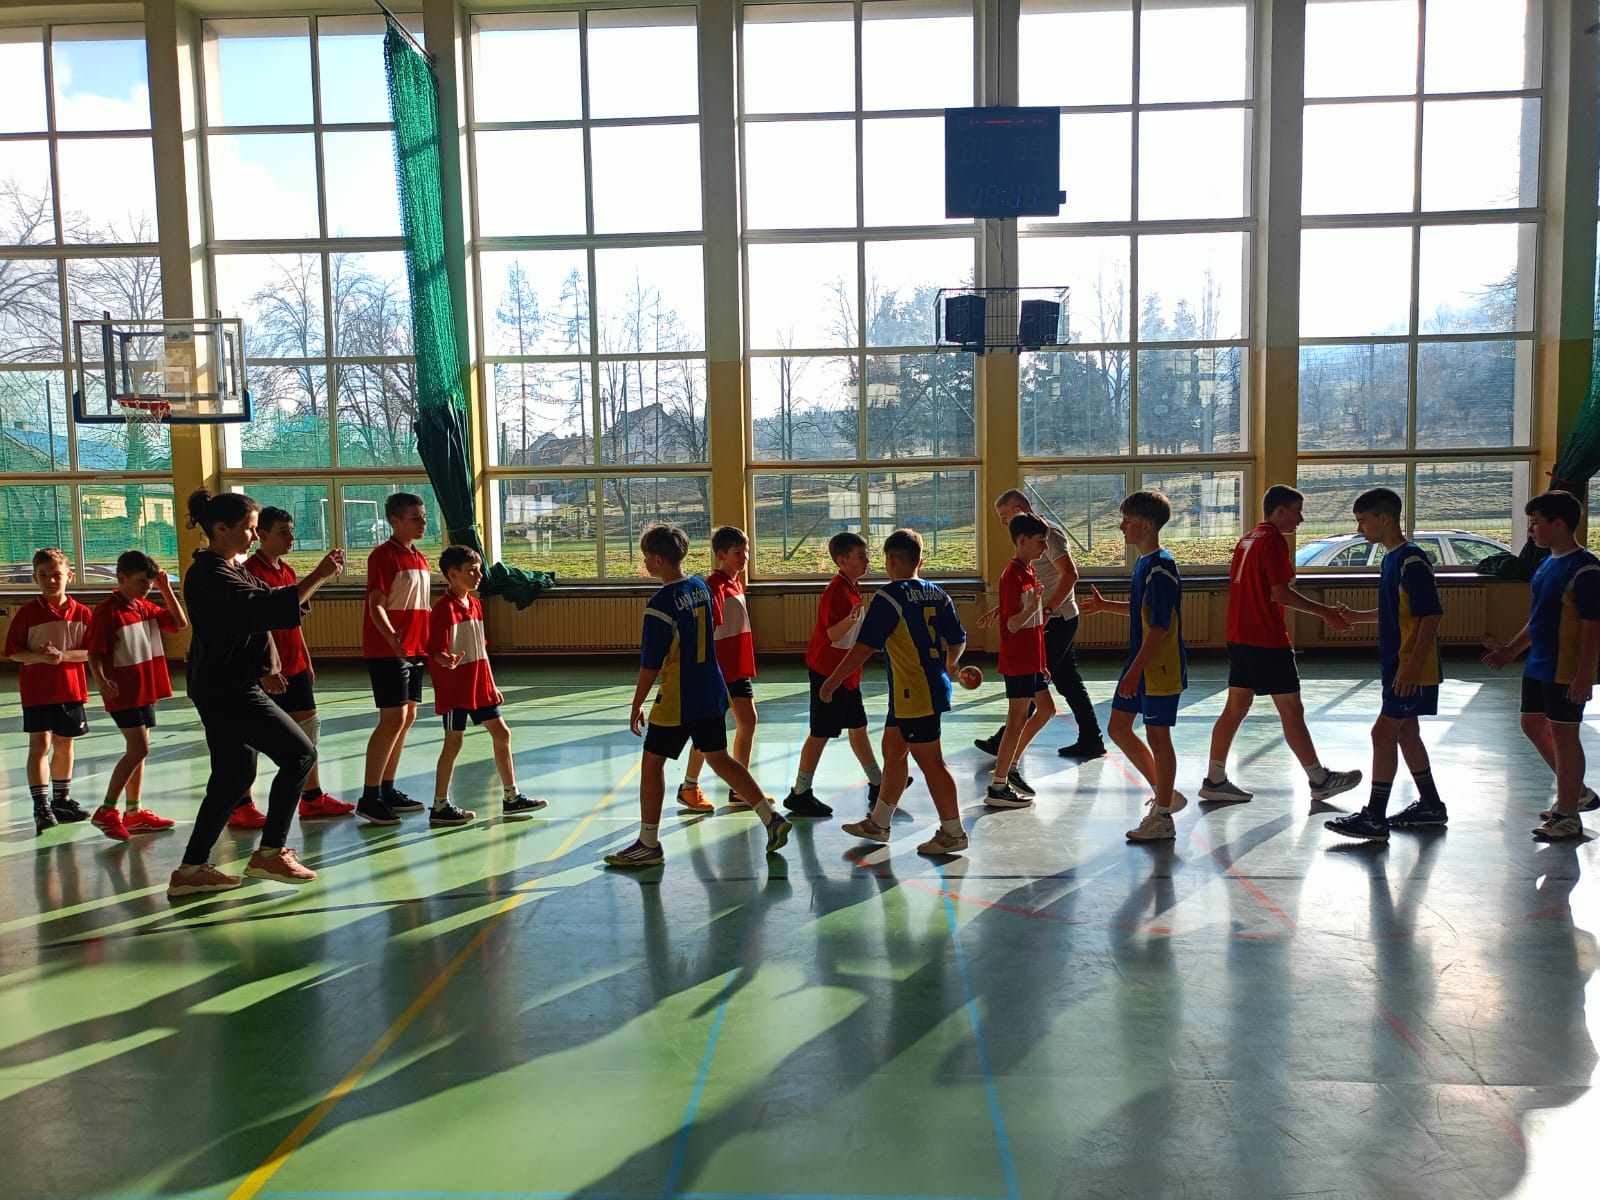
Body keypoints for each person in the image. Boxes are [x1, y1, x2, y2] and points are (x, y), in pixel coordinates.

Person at [170, 488, 346, 897]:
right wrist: (319, 575)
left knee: (232, 776)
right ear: (220, 528)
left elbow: (273, 602)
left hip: (227, 684)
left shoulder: (230, 569)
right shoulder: (210, 575)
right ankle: (270, 852)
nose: (254, 536)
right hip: (227, 688)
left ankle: (190, 870)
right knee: (300, 754)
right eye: (249, 528)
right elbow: (264, 610)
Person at [604, 524, 791, 868]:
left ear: (657, 560)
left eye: (646, 556)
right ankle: (771, 819)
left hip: (679, 697)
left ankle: (648, 843)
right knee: (719, 757)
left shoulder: (660, 605)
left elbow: (650, 664)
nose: (645, 562)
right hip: (711, 688)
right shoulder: (700, 587)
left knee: (652, 763)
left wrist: (636, 703)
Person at [1199, 484, 1363, 807]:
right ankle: (1320, 780)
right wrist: (1326, 612)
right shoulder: (1273, 541)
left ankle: (1214, 779)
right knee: (1291, 710)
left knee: (1235, 708)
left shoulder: (1248, 538)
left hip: (1239, 636)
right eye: (1297, 512)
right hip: (1266, 639)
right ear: (1280, 510)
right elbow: (1281, 594)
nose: (1300, 519)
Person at [825, 527, 971, 857]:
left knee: (931, 762)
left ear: (890, 560)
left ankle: (953, 832)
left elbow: (864, 647)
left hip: (915, 692)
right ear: (921, 560)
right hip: (920, 689)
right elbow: (958, 638)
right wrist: (951, 663)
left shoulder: (889, 597)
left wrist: (833, 680)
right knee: (893, 748)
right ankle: (879, 823)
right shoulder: (938, 594)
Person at [1325, 487, 1445, 842]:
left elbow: (1431, 615)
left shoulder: (1412, 560)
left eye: (1363, 521)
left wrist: (1412, 667)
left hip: (1411, 667)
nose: (1359, 529)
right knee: (1407, 733)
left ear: (1385, 518)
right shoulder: (1391, 560)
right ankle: (1431, 804)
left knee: (1383, 733)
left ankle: (1375, 816)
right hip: (1398, 664)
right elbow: (1397, 611)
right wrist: (1358, 616)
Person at [1482, 490, 1600, 841]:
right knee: (1532, 724)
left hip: (1566, 667)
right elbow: (1538, 619)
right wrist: (1511, 650)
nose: (1530, 530)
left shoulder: (1586, 569)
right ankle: (1576, 792)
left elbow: (1593, 628)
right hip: (1539, 664)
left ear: (1558, 524)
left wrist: (1584, 675)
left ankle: (1568, 814)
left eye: (1535, 523)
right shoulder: (1546, 564)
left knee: (1564, 734)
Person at [230, 506, 354, 828]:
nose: (291, 538)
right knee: (252, 736)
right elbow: (257, 626)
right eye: (283, 533)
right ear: (262, 535)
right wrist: (266, 670)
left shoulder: (286, 570)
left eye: (292, 531)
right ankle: (241, 803)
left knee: (309, 727)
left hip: (294, 664)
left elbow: (293, 618)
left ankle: (312, 798)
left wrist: (305, 658)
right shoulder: (250, 573)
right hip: (267, 669)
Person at [1079, 490, 1189, 842]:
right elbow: (1143, 611)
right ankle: (1165, 793)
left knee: (1158, 736)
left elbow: (1159, 627)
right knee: (1119, 728)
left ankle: (1163, 816)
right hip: (1141, 663)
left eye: (1127, 521)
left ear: (1146, 525)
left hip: (1159, 668)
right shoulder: (1144, 564)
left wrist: (1136, 669)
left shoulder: (1161, 568)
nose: (1121, 526)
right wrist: (1106, 606)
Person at [975, 488, 1103, 760]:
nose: (1002, 522)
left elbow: (1070, 575)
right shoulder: (1028, 549)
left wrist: (1047, 610)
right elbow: (1033, 586)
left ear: (1017, 510)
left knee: (1033, 683)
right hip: (1048, 616)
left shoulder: (1048, 535)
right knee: (1067, 682)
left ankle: (1005, 743)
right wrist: (1003, 608)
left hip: (1057, 619)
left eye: (1003, 515)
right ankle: (1092, 739)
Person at [428, 544, 548, 825]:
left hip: (479, 686)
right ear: (452, 574)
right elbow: (433, 650)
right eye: (471, 571)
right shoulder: (443, 609)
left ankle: (511, 797)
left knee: (502, 733)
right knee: (453, 742)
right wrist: (445, 659)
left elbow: (480, 650)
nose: (479, 575)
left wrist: (491, 684)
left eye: (479, 570)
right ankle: (440, 805)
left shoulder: (475, 605)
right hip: (455, 689)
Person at [84, 550, 188, 840]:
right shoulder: (107, 611)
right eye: (142, 581)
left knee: (140, 752)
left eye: (151, 582)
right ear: (121, 578)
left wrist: (166, 589)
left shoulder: (143, 606)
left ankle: (133, 812)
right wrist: (101, 679)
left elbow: (180, 623)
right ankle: (106, 810)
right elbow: (94, 652)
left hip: (144, 689)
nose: (147, 587)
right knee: (138, 749)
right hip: (123, 691)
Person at [783, 531, 884, 819]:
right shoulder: (836, 591)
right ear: (842, 560)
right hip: (829, 673)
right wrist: (850, 621)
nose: (866, 561)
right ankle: (800, 792)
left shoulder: (853, 586)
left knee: (858, 726)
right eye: (860, 556)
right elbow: (832, 634)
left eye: (867, 555)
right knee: (820, 732)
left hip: (847, 672)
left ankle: (877, 782)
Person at [676, 525, 767, 813]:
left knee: (748, 721)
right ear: (721, 555)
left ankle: (740, 789)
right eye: (738, 553)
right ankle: (689, 786)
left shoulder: (736, 583)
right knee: (709, 734)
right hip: (718, 671)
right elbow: (707, 629)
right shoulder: (713, 585)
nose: (745, 557)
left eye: (746, 551)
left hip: (737, 669)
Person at [5, 547, 93, 835]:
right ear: (35, 578)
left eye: (56, 574)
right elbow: (13, 652)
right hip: (37, 692)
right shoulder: (27, 614)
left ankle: (61, 800)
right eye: (43, 575)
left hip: (70, 689)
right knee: (40, 745)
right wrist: (41, 658)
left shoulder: (82, 613)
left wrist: (62, 656)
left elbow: (92, 652)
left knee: (65, 744)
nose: (50, 580)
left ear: (69, 576)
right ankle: (41, 805)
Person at [357, 492, 432, 826]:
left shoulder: (420, 557)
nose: (422, 522)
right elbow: (375, 603)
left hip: (416, 649)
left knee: (407, 716)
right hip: (389, 650)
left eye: (423, 516)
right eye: (415, 517)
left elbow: (421, 608)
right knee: (392, 718)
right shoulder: (383, 556)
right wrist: (391, 636)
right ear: (395, 521)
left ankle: (387, 788)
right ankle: (369, 796)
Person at [985, 512, 1055, 808]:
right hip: (1018, 661)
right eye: (1040, 542)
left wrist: (1042, 661)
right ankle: (998, 785)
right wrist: (1033, 605)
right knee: (1016, 719)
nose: (1044, 547)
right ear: (1022, 540)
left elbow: (1033, 624)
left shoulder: (1029, 572)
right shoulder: (1011, 575)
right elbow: (1013, 624)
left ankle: (1010, 766)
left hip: (1032, 660)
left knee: (1047, 710)